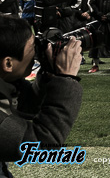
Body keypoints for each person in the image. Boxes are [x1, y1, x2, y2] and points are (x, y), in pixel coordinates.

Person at [0, 15, 83, 177]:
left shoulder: (6, 82)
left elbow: (26, 107)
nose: (37, 53)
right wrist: (67, 79)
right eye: (33, 48)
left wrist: (49, 73)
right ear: (8, 63)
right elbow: (40, 143)